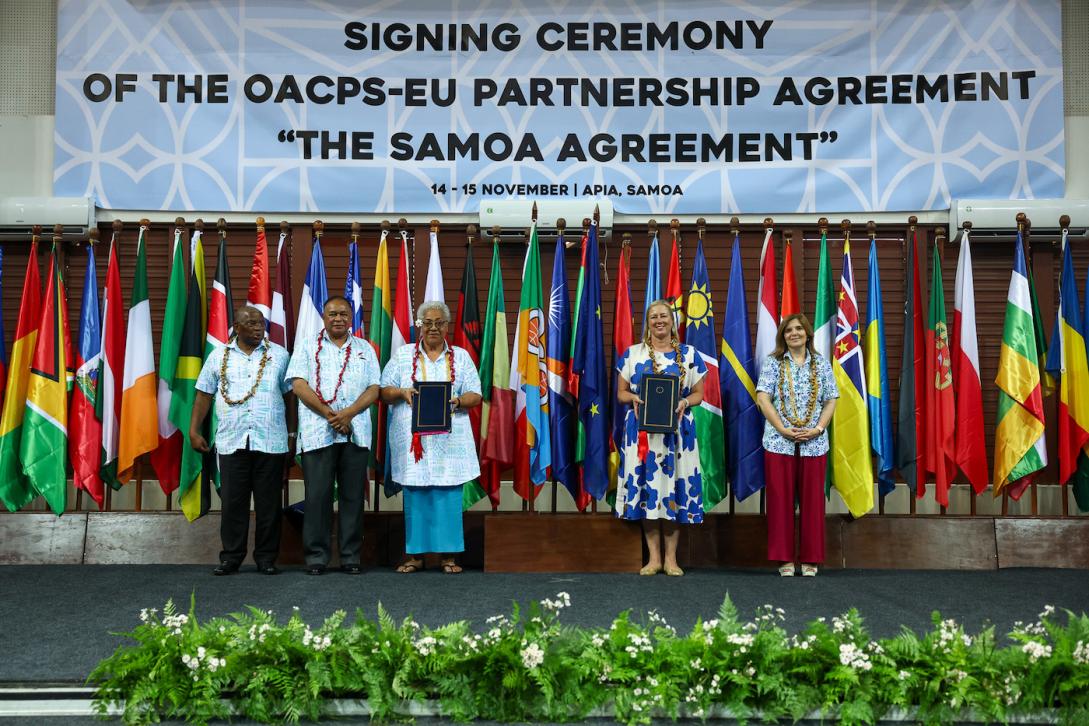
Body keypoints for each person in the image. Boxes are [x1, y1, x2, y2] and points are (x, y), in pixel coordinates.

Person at [380, 301, 482, 574]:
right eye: (428, 323)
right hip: (414, 444)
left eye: (439, 323)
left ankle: (449, 557)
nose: (433, 328)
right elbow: (383, 391)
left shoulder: (460, 357)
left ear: (447, 327)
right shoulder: (402, 356)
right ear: (420, 326)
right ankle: (415, 556)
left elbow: (476, 393)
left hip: (450, 445)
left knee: (448, 495)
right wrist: (402, 393)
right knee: (416, 495)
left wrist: (457, 400)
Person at [191, 305, 292, 576]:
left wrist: (292, 434)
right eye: (253, 324)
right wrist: (194, 430)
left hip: (270, 440)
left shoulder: (280, 356)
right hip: (232, 440)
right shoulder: (218, 357)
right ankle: (231, 557)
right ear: (237, 327)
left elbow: (291, 396)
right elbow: (204, 394)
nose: (260, 328)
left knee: (268, 504)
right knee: (233, 502)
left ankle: (267, 558)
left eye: (261, 323)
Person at [286, 296, 381, 575]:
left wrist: (348, 414)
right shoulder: (306, 347)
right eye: (332, 314)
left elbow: (374, 389)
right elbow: (299, 386)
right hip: (318, 435)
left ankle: (351, 557)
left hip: (355, 434)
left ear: (351, 318)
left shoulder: (365, 350)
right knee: (318, 498)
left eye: (343, 314)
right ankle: (316, 558)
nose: (337, 318)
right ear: (324, 318)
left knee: (353, 497)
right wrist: (331, 415)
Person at [614, 299, 706, 577]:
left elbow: (699, 395)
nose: (659, 321)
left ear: (673, 320)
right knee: (648, 491)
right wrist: (634, 398)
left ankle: (671, 560)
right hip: (642, 436)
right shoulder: (632, 354)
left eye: (664, 315)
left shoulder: (690, 355)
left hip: (678, 436)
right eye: (653, 316)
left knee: (673, 491)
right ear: (648, 322)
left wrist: (684, 403)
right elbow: (620, 393)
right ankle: (654, 559)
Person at [755, 313, 838, 577]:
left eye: (799, 329)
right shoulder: (773, 363)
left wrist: (818, 428)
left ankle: (811, 560)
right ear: (783, 336)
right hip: (779, 442)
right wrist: (782, 428)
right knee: (780, 502)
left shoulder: (822, 364)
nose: (794, 333)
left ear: (808, 334)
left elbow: (831, 400)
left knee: (813, 503)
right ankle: (785, 560)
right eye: (789, 330)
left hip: (814, 443)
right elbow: (763, 398)